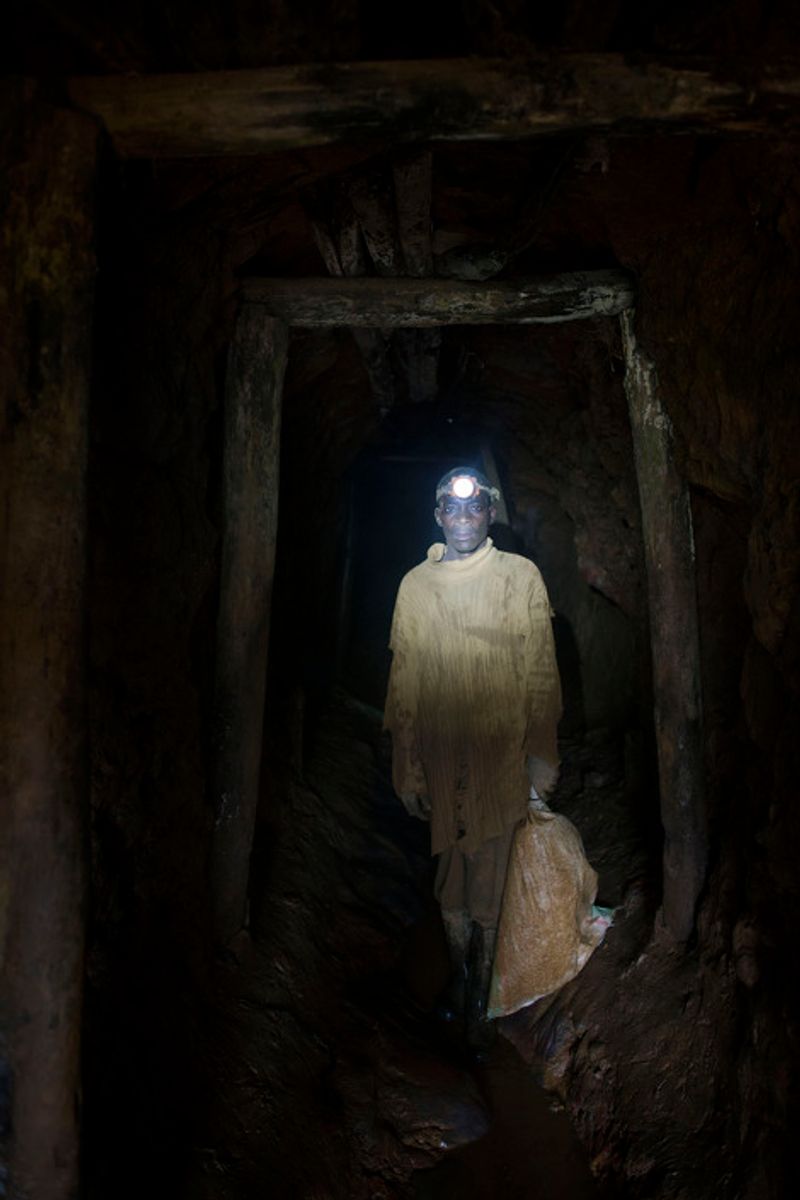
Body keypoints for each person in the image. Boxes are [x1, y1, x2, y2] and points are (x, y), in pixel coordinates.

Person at [384, 466, 562, 1046]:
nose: (463, 518)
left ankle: (483, 998)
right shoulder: (417, 586)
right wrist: (406, 765)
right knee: (450, 878)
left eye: (475, 507)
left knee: (490, 879)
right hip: (442, 761)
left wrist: (541, 757)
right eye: (451, 509)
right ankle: (462, 978)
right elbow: (404, 681)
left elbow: (541, 675)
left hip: (499, 757)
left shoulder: (520, 577)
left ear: (490, 513)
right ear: (437, 515)